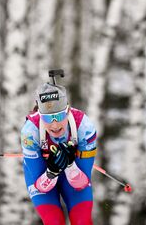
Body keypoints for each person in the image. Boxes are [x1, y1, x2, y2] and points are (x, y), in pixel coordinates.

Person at [21, 82, 97, 225]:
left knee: (83, 221)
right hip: (42, 176)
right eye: (48, 118)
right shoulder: (30, 132)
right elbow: (40, 186)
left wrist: (70, 165)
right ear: (40, 115)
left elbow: (82, 183)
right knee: (53, 222)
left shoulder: (84, 127)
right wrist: (52, 171)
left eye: (59, 116)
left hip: (75, 176)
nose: (55, 125)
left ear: (67, 111)